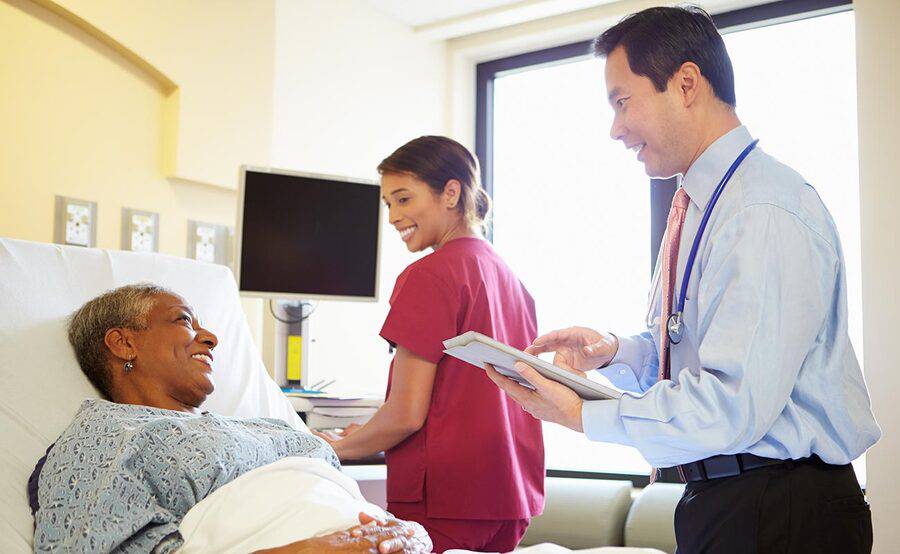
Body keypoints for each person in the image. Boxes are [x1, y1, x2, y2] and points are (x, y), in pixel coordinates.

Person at [484, 6, 880, 553]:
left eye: (623, 102)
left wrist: (583, 415)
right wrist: (617, 352)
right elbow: (701, 354)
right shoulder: (703, 205)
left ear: (686, 83)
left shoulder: (759, 208)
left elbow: (731, 404)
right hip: (731, 500)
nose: (615, 129)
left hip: (780, 510)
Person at [31, 284, 430, 554]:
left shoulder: (262, 426)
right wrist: (318, 549)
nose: (211, 338)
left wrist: (408, 534)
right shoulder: (108, 435)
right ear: (123, 343)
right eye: (184, 321)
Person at [315, 136, 544, 553]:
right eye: (388, 204)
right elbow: (467, 396)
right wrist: (367, 431)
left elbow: (406, 414)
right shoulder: (509, 279)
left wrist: (337, 448)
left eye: (403, 199)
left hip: (449, 501)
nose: (393, 216)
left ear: (451, 193)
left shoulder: (430, 275)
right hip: (508, 497)